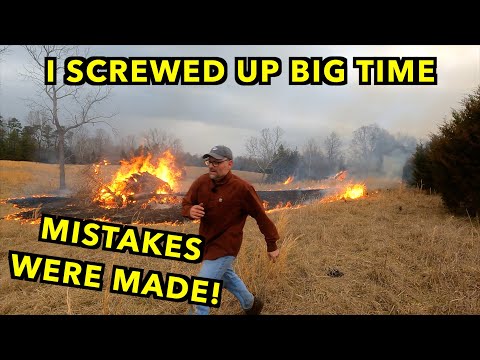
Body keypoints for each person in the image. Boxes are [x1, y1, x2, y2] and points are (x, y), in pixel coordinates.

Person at [181, 145, 280, 315]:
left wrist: (272, 244)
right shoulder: (201, 182)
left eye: (217, 162)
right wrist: (189, 211)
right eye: (209, 161)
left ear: (229, 164)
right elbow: (186, 203)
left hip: (227, 245)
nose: (212, 165)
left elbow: (261, 216)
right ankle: (251, 305)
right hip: (207, 243)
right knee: (227, 276)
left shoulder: (242, 188)